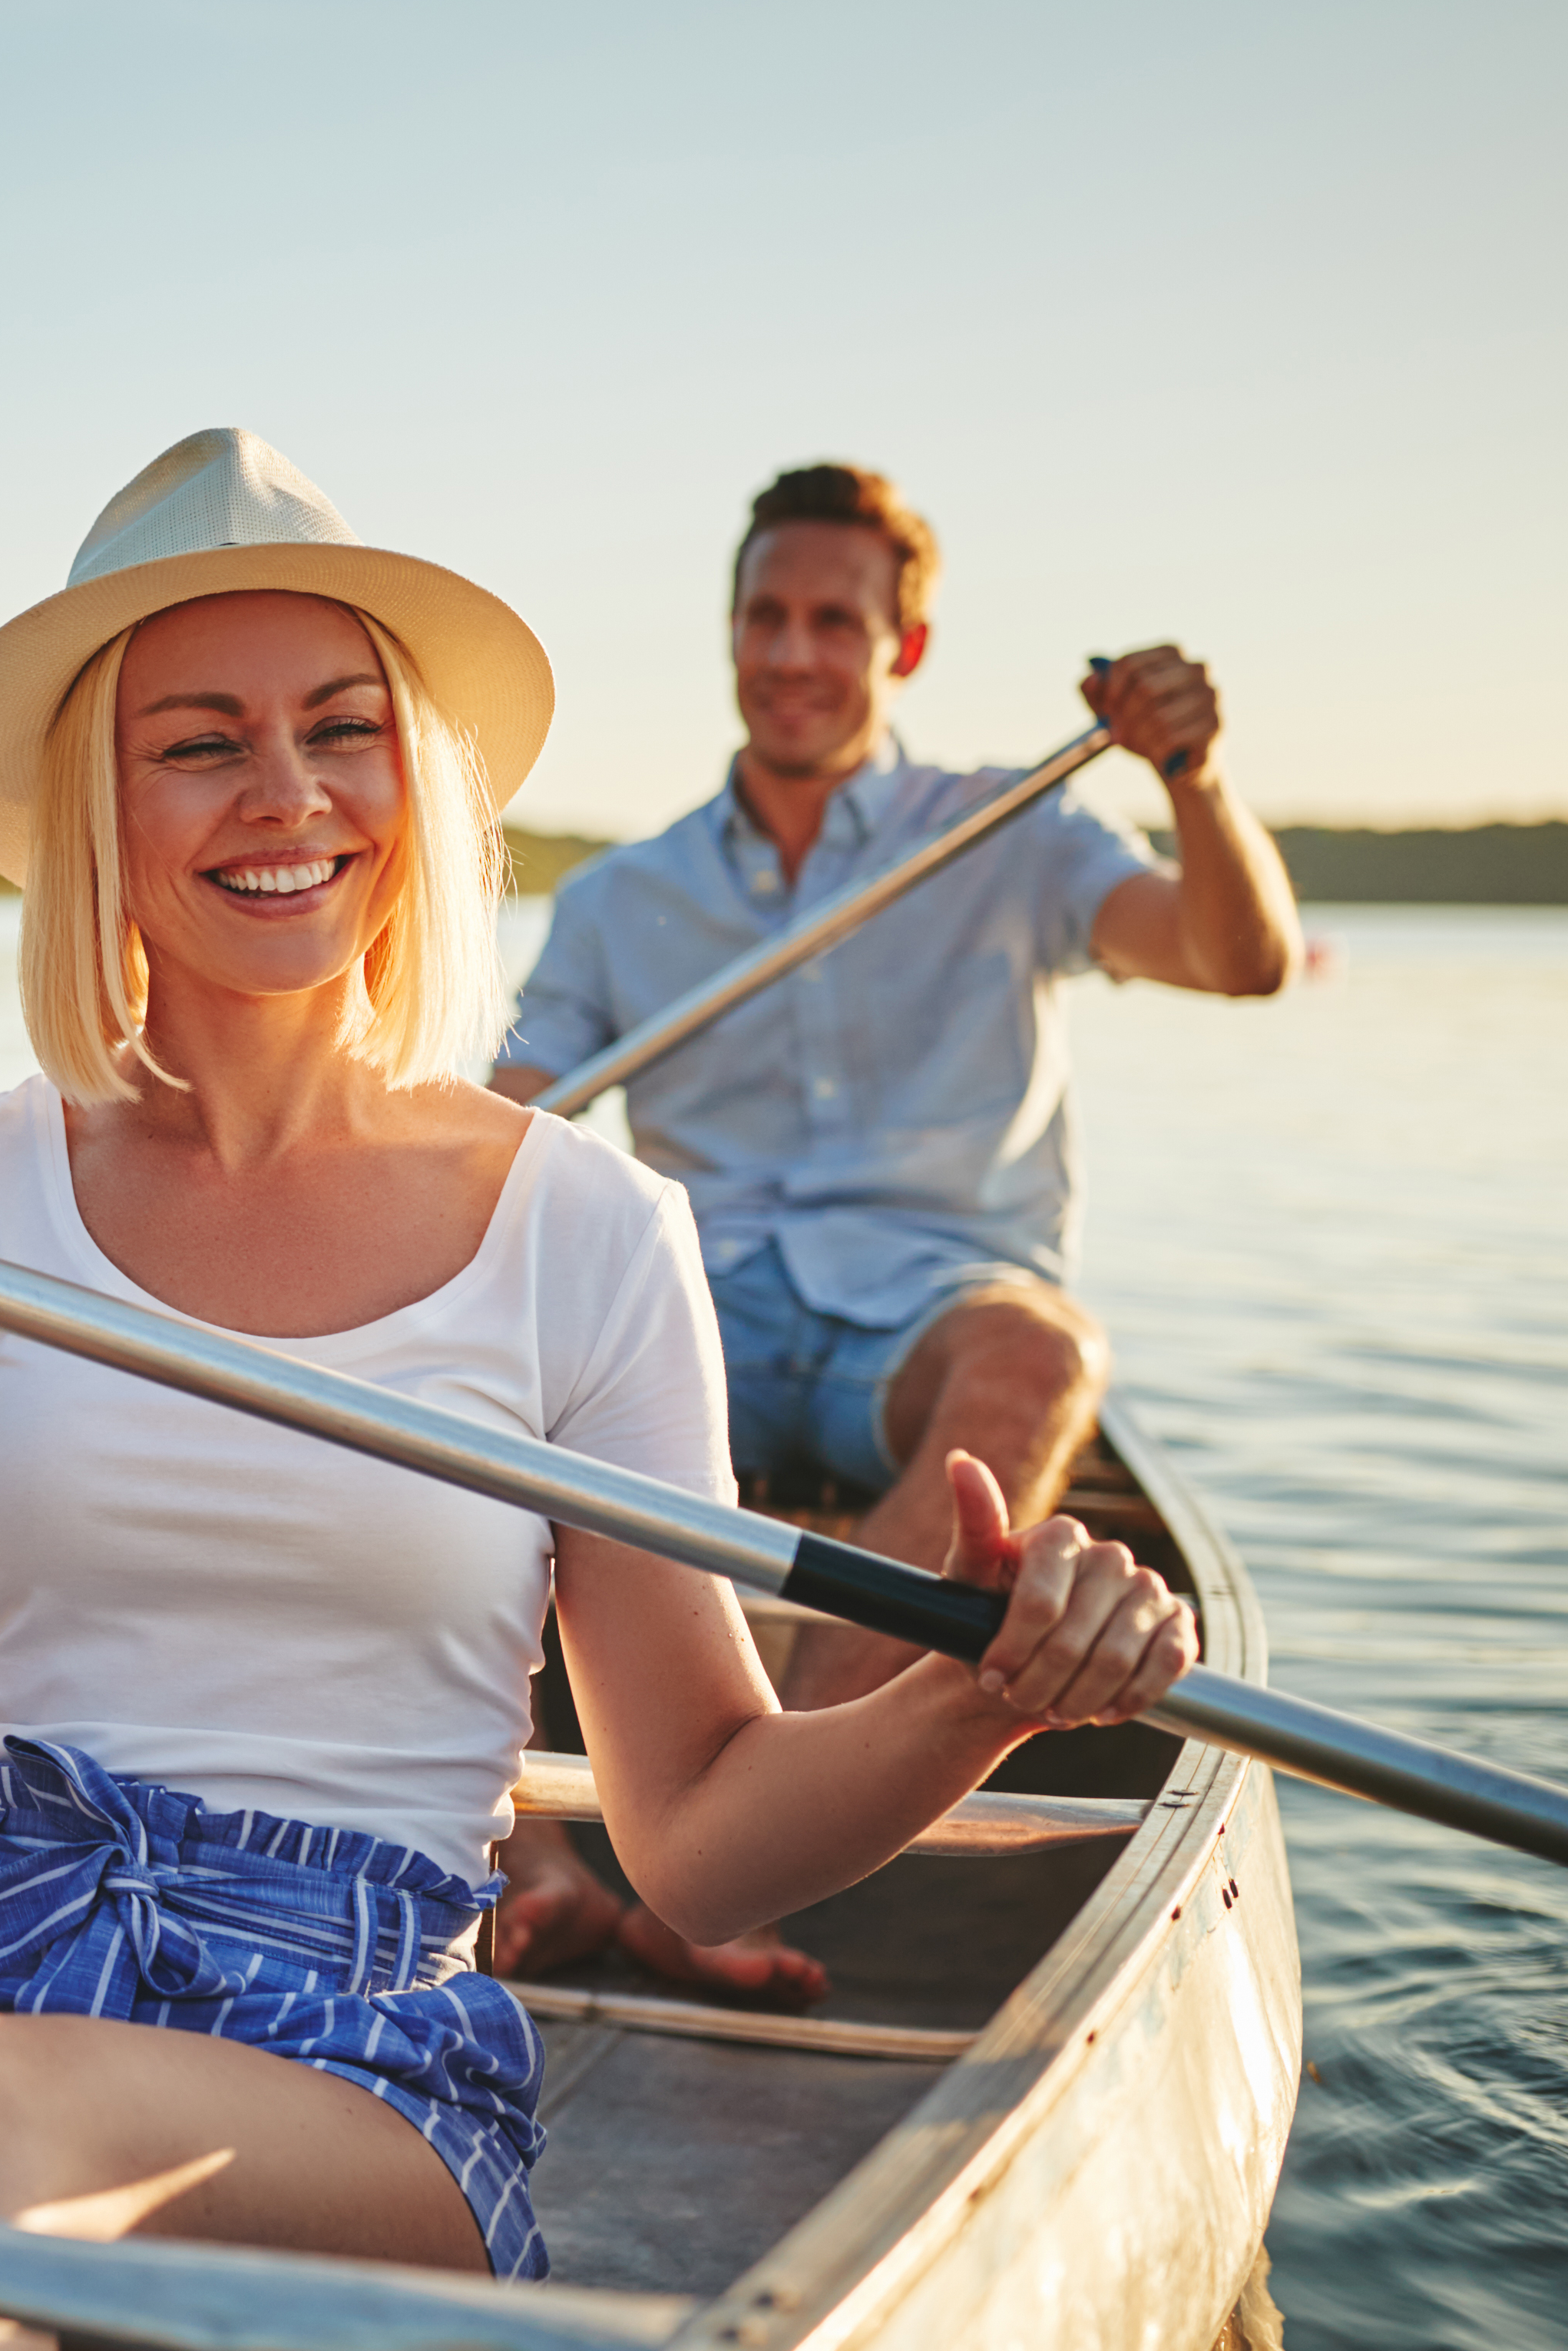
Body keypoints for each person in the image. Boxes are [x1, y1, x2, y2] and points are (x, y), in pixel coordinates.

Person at [0, 429, 1191, 2339]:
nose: (281, 793)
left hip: (343, 2070)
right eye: (198, 740)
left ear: (412, 781)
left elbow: (694, 1828)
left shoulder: (588, 1227)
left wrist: (972, 1703)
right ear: (99, 809)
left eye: (337, 729)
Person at [482, 461, 1299, 2000]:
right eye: (767, 616)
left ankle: (747, 1820)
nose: (794, 653)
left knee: (1043, 1357)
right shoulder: (626, 896)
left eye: (835, 623)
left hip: (927, 1316)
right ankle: (532, 1855)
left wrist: (1192, 777)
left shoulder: (1012, 834)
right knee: (485, 1341)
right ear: (732, 633)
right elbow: (502, 1135)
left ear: (900, 648)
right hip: (700, 1308)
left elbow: (1238, 958)